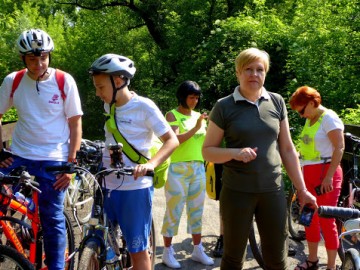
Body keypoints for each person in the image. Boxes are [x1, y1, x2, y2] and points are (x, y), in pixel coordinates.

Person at [202, 47, 318, 270]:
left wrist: (302, 190)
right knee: (233, 258)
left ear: (265, 73)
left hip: (272, 191)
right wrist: (235, 153)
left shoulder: (276, 101)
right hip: (237, 192)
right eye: (248, 69)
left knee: (277, 258)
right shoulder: (224, 106)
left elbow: (287, 149)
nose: (254, 74)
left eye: (259, 69)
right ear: (238, 73)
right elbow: (207, 151)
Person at [0, 28, 83, 269]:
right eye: (32, 59)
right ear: (23, 59)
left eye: (43, 57)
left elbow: (75, 122)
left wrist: (71, 164)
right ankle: (15, 238)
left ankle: (56, 266)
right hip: (20, 155)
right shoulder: (13, 81)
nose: (38, 64)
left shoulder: (63, 80)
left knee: (52, 218)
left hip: (54, 158)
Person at [88, 53, 179, 270]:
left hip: (134, 188)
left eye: (101, 87)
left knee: (137, 249)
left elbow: (171, 140)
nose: (97, 93)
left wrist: (150, 164)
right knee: (95, 244)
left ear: (118, 81)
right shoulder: (108, 106)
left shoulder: (144, 107)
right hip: (106, 186)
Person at [289, 86, 344, 270]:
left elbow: (339, 147)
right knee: (308, 217)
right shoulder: (310, 119)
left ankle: (331, 266)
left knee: (327, 221)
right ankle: (312, 260)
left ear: (312, 102)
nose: (301, 115)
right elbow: (310, 148)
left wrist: (329, 177)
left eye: (302, 110)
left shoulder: (328, 117)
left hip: (326, 175)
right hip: (309, 175)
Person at [161, 80, 214, 268]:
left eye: (197, 97)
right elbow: (175, 140)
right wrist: (196, 128)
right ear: (182, 97)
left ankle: (197, 249)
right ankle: (167, 252)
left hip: (198, 167)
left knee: (197, 209)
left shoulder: (199, 116)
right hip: (177, 168)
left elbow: (206, 141)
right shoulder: (172, 115)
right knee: (174, 209)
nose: (195, 101)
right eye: (191, 97)